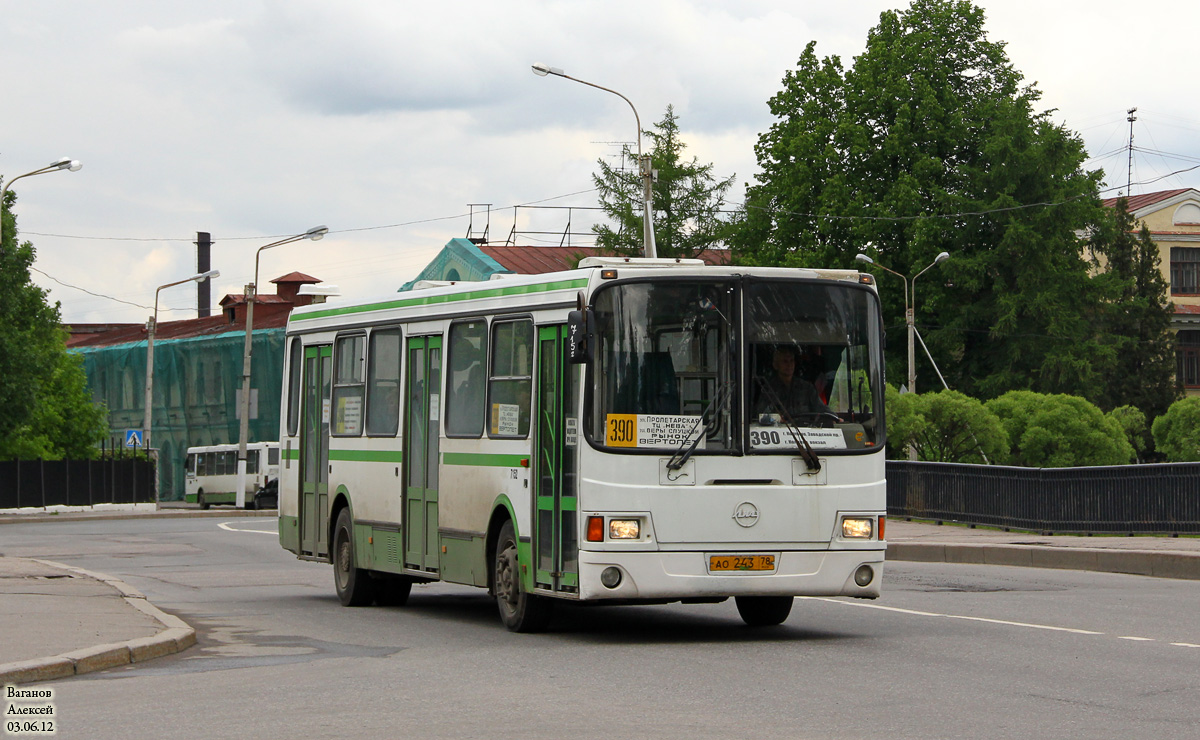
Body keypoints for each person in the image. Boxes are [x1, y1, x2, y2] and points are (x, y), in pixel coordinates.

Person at [754, 345, 832, 422]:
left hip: (805, 433)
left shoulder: (807, 388)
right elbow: (761, 416)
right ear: (775, 365)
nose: (789, 365)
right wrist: (776, 419)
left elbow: (822, 410)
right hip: (779, 432)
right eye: (785, 361)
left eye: (791, 360)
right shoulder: (769, 390)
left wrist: (833, 417)